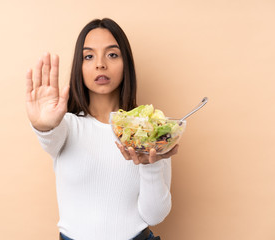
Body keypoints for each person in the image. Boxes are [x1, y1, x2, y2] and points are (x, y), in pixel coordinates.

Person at [25, 18, 179, 240]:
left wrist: (150, 166)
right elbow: (50, 136)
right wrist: (43, 125)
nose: (100, 64)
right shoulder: (66, 126)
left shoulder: (148, 130)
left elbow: (154, 215)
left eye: (112, 54)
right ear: (79, 66)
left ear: (126, 63)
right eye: (89, 56)